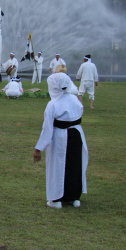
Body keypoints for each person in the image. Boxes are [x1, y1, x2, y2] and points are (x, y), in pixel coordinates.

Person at [33, 73, 88, 209]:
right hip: (76, 134)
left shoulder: (53, 104)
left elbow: (47, 129)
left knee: (58, 166)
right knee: (74, 164)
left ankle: (56, 199)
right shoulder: (75, 100)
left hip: (60, 136)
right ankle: (74, 198)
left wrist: (38, 148)